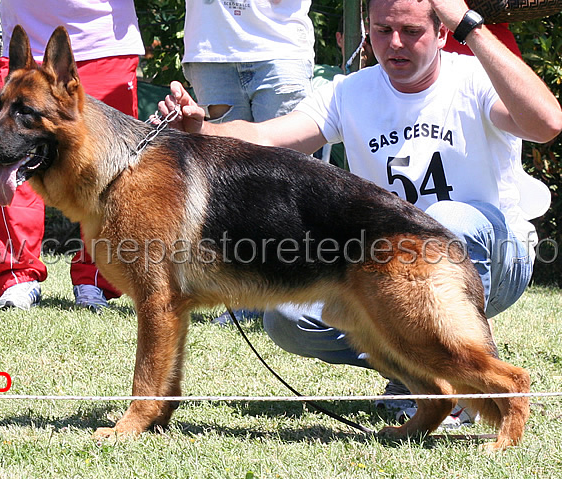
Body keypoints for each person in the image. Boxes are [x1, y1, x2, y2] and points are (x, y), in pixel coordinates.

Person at [159, 0, 562, 425]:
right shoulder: (348, 91)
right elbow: (264, 137)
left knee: (447, 223)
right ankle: (427, 375)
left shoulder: (475, 80)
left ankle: (470, 373)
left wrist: (472, 28)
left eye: (411, 31)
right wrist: (201, 129)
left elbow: (547, 123)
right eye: (382, 30)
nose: (394, 44)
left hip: (493, 255)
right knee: (288, 318)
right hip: (395, 269)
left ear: (442, 33)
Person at [0, 0, 145, 311]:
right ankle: (16, 277)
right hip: (24, 28)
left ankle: (96, 281)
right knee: (11, 153)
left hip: (102, 40)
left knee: (111, 174)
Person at [183, 0, 315, 324]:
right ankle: (243, 297)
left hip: (281, 47)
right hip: (211, 49)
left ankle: (302, 293)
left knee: (290, 181)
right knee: (223, 184)